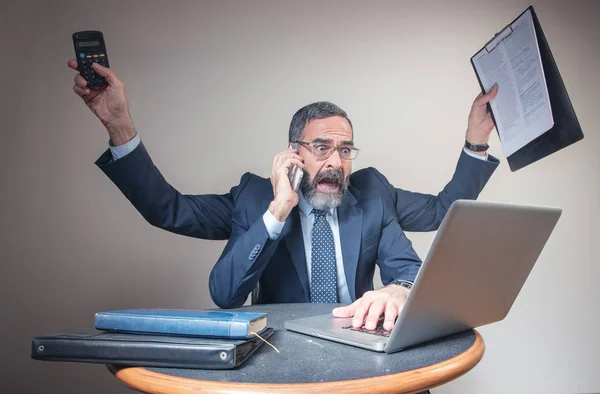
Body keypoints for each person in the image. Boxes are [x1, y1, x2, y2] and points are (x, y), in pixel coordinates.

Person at [69, 60, 499, 331]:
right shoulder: (254, 198)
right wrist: (278, 210)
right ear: (294, 153)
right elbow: (174, 217)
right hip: (285, 357)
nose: (335, 161)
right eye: (321, 148)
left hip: (362, 347)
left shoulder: (372, 193)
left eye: (345, 150)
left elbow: (443, 216)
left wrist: (400, 291)